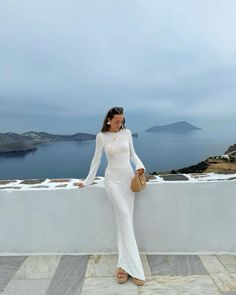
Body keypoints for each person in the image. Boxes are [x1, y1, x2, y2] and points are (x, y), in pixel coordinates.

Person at [75, 106, 146, 286]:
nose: (118, 124)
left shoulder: (127, 133)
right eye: (116, 121)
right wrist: (87, 181)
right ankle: (135, 269)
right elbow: (96, 160)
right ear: (108, 120)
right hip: (112, 181)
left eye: (121, 121)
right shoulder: (101, 137)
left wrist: (141, 165)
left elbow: (132, 154)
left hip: (128, 181)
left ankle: (122, 266)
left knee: (125, 221)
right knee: (123, 216)